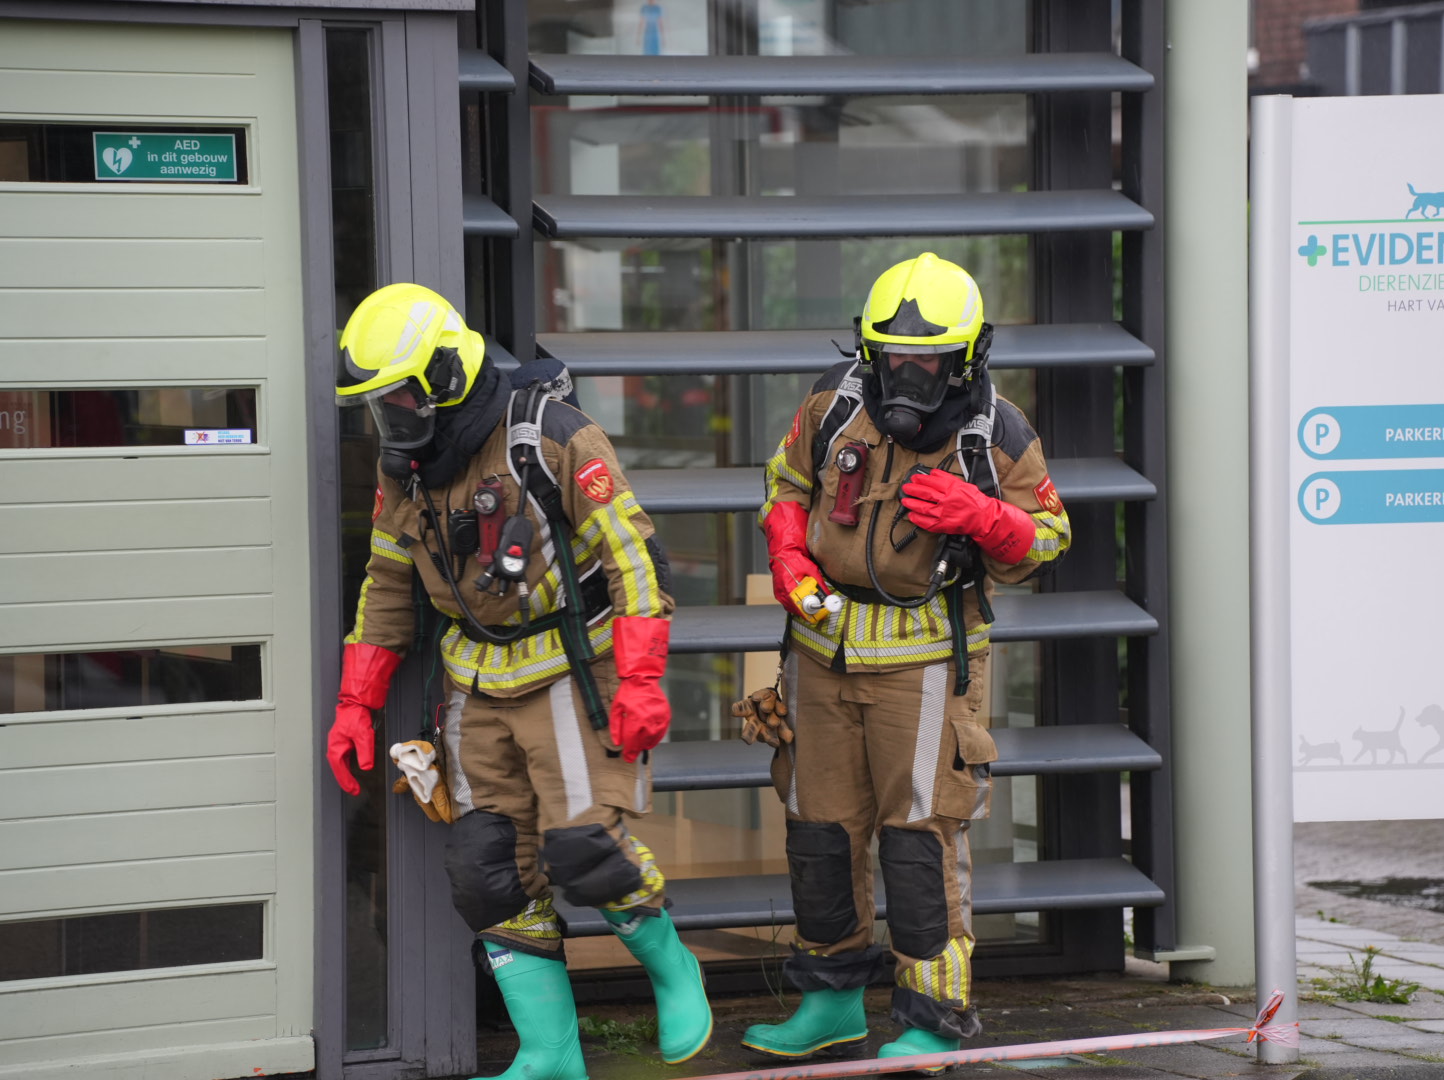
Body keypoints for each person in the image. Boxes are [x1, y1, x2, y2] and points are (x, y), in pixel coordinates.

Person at [325, 283, 711, 1080]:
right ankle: (550, 1052)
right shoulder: (407, 472)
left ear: (443, 374)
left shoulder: (551, 435)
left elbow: (635, 558)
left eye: (399, 398)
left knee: (585, 848)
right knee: (485, 869)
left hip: (570, 668)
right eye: (378, 406)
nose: (390, 420)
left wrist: (642, 679)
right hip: (474, 684)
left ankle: (676, 971)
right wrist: (356, 702)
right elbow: (387, 581)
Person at [742, 253, 1072, 1067]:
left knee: (919, 841)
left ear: (966, 357)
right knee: (819, 832)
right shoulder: (834, 403)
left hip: (925, 664)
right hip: (820, 651)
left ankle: (932, 1020)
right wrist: (788, 557)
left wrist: (984, 517)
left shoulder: (998, 433)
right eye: (892, 358)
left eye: (926, 362)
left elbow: (1049, 539)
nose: (906, 376)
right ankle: (830, 1002)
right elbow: (785, 484)